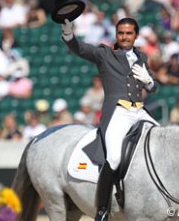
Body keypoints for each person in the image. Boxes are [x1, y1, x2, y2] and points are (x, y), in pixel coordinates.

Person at [61, 17, 159, 220]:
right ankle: (103, 209)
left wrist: (149, 82)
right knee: (114, 157)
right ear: (116, 35)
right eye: (121, 33)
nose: (124, 37)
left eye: (129, 33)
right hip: (118, 112)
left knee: (164, 145)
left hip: (139, 111)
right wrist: (69, 35)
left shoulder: (141, 57)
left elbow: (154, 87)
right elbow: (81, 49)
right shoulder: (106, 53)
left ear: (136, 35)